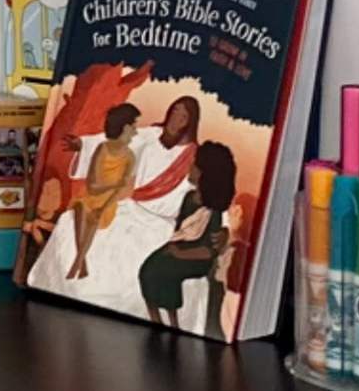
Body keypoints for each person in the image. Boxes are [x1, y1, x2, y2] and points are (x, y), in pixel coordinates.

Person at [137, 140, 240, 333]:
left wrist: (178, 254)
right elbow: (181, 231)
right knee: (148, 268)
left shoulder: (212, 210)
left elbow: (207, 251)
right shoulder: (189, 198)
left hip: (195, 258)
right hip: (180, 248)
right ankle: (155, 318)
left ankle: (173, 321)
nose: (189, 167)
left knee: (159, 271)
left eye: (195, 165)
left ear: (204, 174)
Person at [65, 102, 142, 276]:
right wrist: (115, 184)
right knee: (80, 208)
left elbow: (118, 192)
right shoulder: (102, 149)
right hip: (90, 196)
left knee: (94, 216)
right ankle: (81, 264)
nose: (136, 132)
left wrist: (104, 206)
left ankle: (76, 265)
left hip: (108, 202)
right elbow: (92, 186)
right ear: (126, 126)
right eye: (134, 127)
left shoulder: (130, 156)